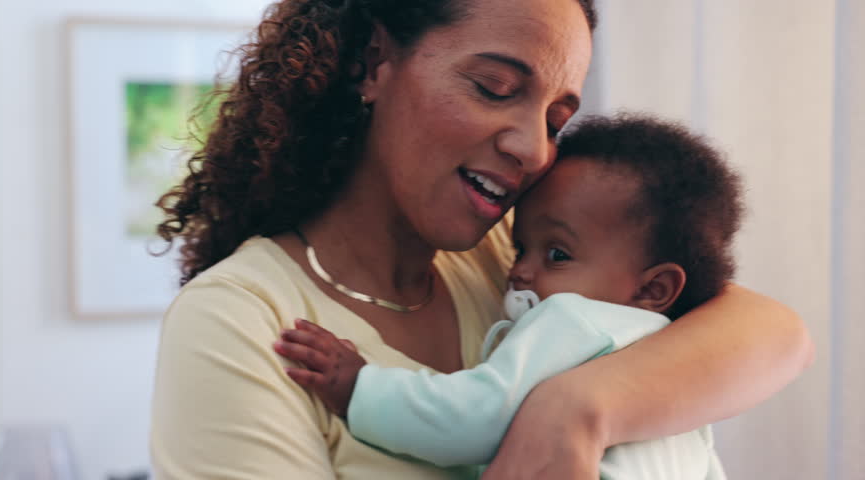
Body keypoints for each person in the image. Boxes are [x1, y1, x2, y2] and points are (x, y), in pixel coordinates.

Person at [149, 0, 814, 478]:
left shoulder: (515, 260)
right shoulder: (239, 319)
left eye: (556, 120)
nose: (533, 149)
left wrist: (576, 410)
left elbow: (777, 334)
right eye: (494, 88)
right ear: (375, 61)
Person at [274, 114, 742, 479]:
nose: (518, 269)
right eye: (520, 247)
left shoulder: (575, 321)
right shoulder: (678, 369)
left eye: (556, 253)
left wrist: (361, 388)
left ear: (652, 289)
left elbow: (476, 415)